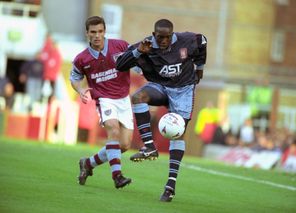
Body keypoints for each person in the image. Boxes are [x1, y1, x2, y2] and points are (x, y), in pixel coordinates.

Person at [116, 19, 207, 201]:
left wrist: (200, 68)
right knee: (138, 97)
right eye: (160, 37)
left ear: (172, 35)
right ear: (154, 34)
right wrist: (138, 52)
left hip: (184, 90)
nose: (164, 41)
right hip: (160, 86)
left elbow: (202, 41)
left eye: (167, 37)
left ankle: (170, 185)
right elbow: (120, 64)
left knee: (177, 134)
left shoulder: (187, 40)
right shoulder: (146, 45)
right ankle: (149, 147)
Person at [70, 16, 133, 189]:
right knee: (113, 129)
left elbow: (136, 61)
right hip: (104, 99)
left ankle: (88, 163)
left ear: (105, 31)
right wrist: (81, 89)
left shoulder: (120, 46)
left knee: (125, 145)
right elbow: (74, 78)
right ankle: (117, 176)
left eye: (100, 31)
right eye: (93, 32)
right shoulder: (81, 59)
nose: (97, 35)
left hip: (124, 99)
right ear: (87, 33)